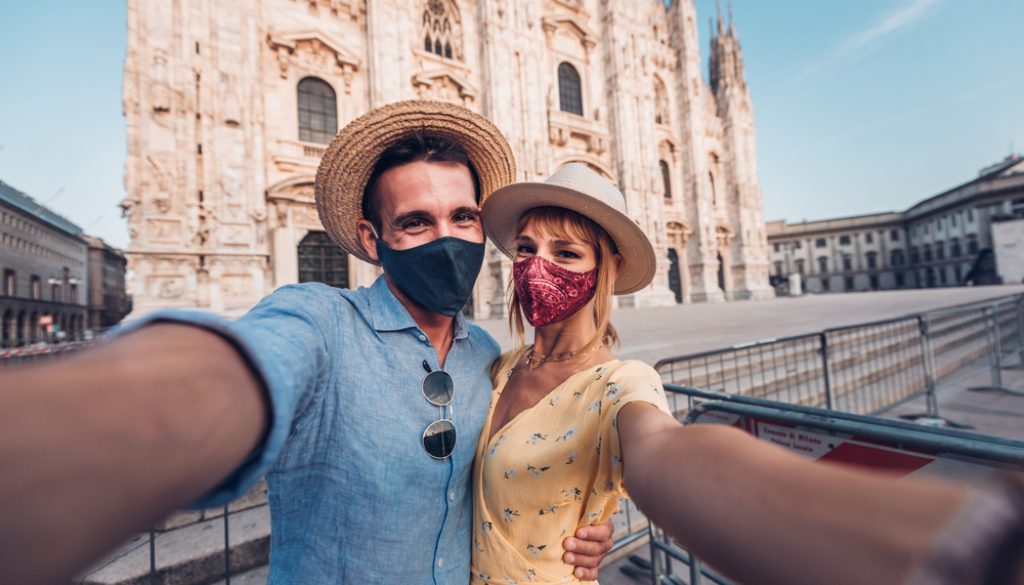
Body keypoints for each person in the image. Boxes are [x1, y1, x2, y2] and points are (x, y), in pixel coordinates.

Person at [0, 101, 614, 585]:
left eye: (463, 217)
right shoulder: (321, 321)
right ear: (373, 240)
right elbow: (241, 369)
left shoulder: (487, 355)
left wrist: (570, 529)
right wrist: (119, 423)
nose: (447, 238)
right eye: (415, 222)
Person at [471, 163, 1024, 585]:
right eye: (525, 248)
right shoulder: (498, 367)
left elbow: (666, 454)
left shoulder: (622, 385)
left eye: (566, 253)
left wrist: (968, 536)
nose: (536, 266)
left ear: (606, 271)